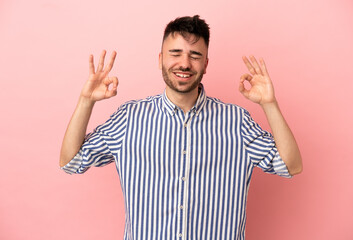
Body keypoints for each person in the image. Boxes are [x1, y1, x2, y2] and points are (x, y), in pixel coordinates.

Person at [60, 15, 302, 240]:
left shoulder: (236, 122)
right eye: (175, 53)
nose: (184, 63)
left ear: (205, 64)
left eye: (195, 55)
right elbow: (71, 161)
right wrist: (86, 100)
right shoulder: (129, 118)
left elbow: (291, 166)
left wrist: (269, 104)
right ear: (160, 59)